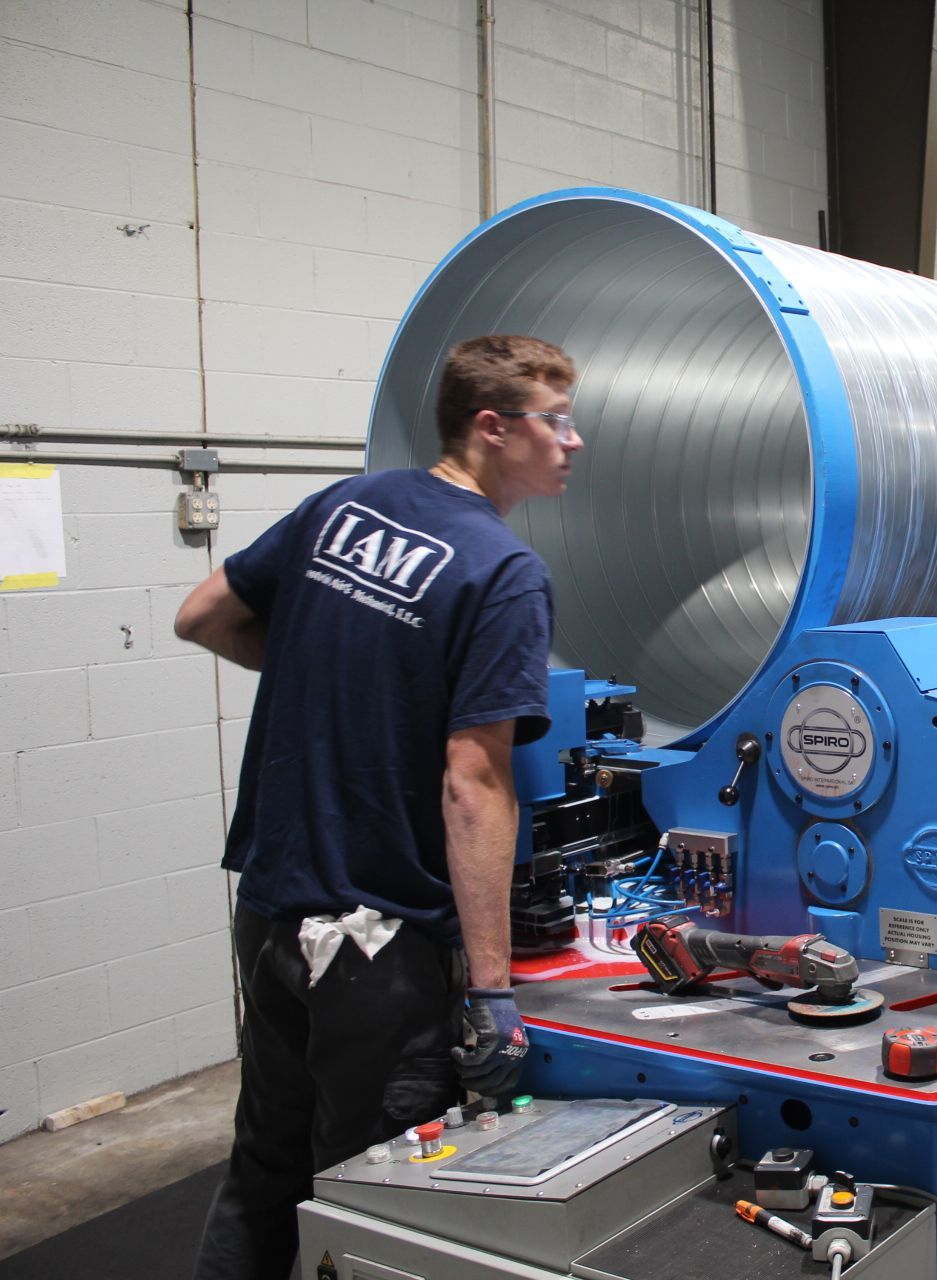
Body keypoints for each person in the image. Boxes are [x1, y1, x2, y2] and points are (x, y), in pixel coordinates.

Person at [177, 334, 583, 1279]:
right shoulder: (501, 569)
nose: (574, 441)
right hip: (379, 941)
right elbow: (473, 785)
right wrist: (490, 994)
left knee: (267, 1165)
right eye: (554, 421)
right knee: (377, 1201)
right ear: (492, 428)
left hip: (273, 912)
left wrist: (343, 671)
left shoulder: (345, 504)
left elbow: (202, 614)